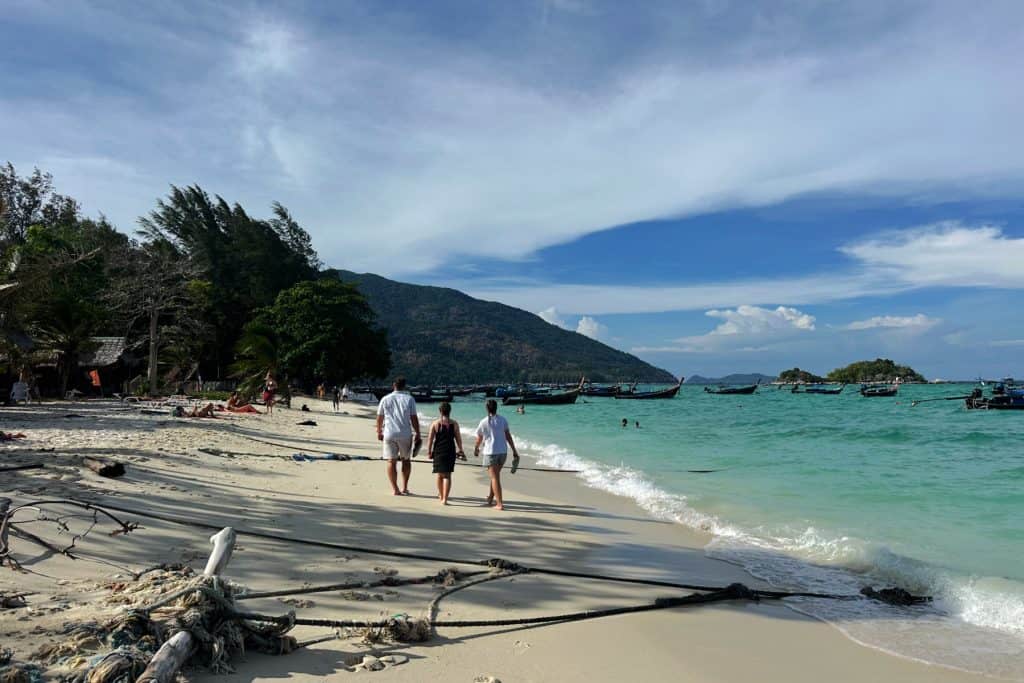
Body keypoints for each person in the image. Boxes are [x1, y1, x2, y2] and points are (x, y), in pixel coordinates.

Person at [376, 376, 421, 495]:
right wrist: (418, 433)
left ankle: (395, 489)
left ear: (393, 385)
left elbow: (380, 417)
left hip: (389, 433)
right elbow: (413, 418)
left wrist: (379, 431)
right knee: (406, 461)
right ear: (404, 386)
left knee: (391, 461)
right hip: (405, 433)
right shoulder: (409, 399)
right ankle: (404, 487)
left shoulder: (385, 399)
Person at [473, 399, 519, 511]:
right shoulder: (503, 420)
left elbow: (479, 438)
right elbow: (508, 436)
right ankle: (490, 498)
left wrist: (476, 448)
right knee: (495, 476)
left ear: (486, 409)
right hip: (503, 452)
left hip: (491, 452)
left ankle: (499, 504)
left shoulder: (483, 422)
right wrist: (514, 450)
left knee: (494, 477)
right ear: (496, 408)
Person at [426, 402, 465, 505]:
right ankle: (445, 499)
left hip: (439, 451)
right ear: (450, 411)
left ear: (440, 411)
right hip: (450, 451)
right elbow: (458, 439)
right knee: (447, 475)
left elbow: (430, 439)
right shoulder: (455, 423)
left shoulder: (435, 424)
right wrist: (461, 450)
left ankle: (441, 495)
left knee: (439, 475)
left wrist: (429, 451)